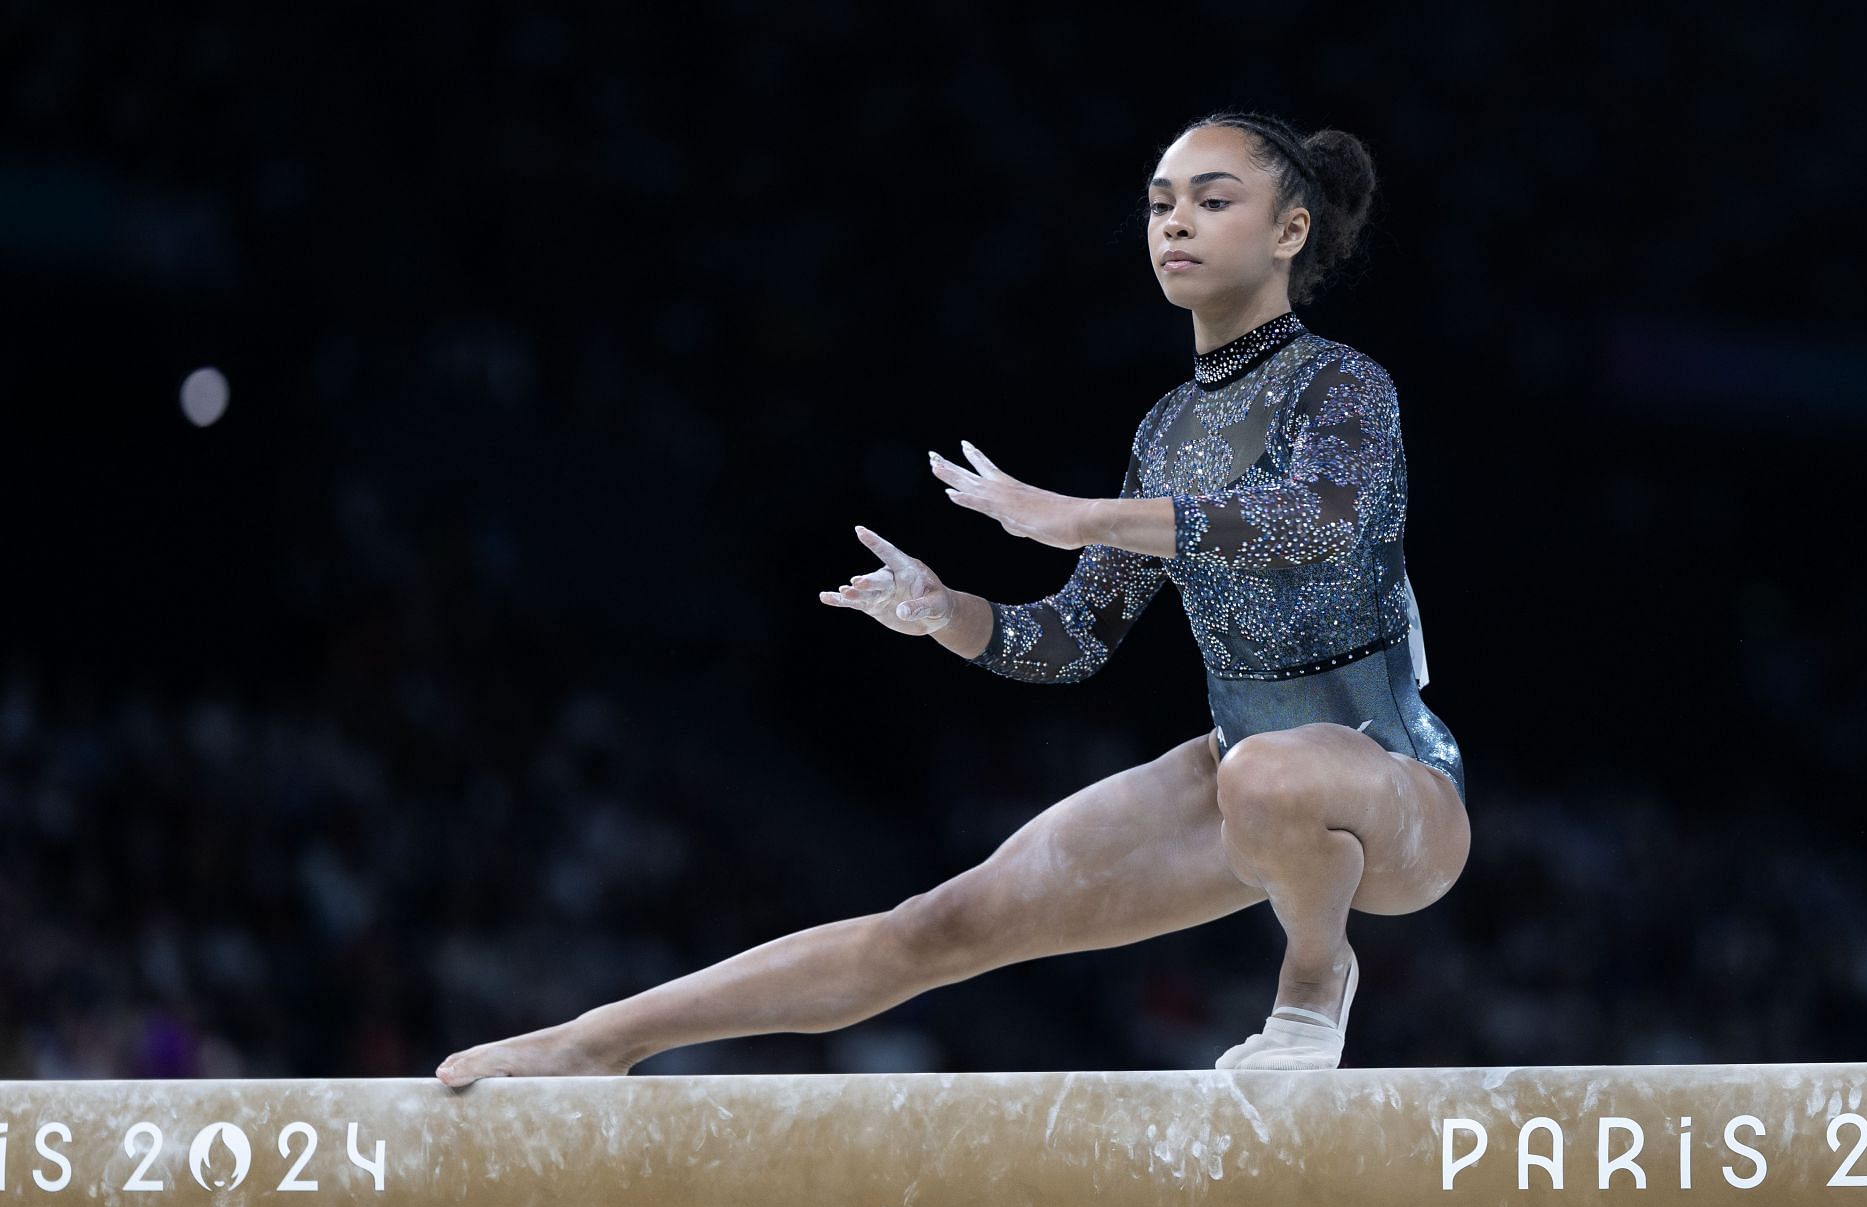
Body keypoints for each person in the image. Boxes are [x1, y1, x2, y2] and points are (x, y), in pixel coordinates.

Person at [436, 110, 1469, 1087]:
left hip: (1389, 779)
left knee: (1274, 774)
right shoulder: (1167, 430)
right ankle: (594, 1041)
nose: (1176, 224)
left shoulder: (1343, 387)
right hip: (1234, 779)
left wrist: (1088, 517)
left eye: (1212, 199)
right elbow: (1068, 640)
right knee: (934, 926)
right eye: (1160, 204)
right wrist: (948, 611)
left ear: (1293, 228)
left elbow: (1314, 520)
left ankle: (1310, 985)